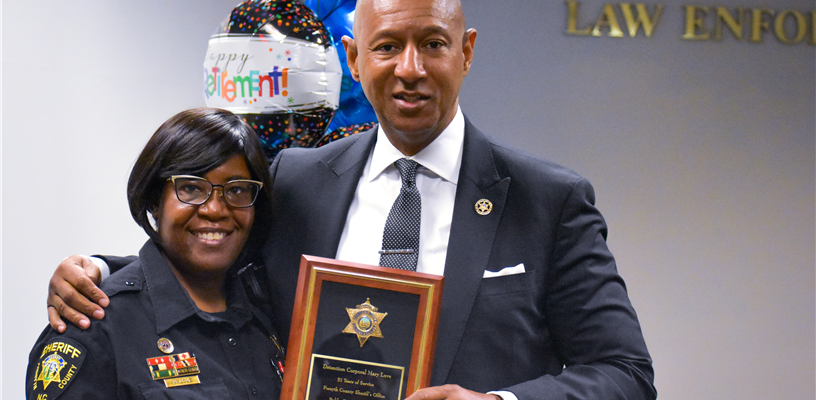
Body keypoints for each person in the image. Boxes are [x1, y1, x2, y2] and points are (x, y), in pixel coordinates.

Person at [46, 1, 657, 399]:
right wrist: (101, 273)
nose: (410, 68)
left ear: (466, 51)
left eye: (433, 44)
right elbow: (216, 265)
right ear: (354, 59)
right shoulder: (297, 179)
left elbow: (626, 374)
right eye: (387, 46)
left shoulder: (548, 201)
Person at [28, 108, 284, 399]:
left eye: (237, 190)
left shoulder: (269, 309)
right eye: (191, 188)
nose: (215, 209)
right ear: (154, 200)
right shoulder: (94, 325)